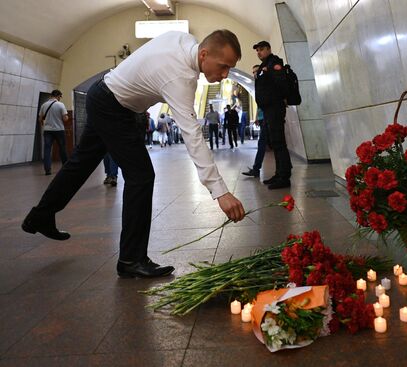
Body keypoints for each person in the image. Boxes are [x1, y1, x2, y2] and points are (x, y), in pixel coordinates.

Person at [21, 30, 246, 278]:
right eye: (223, 66)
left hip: (105, 95)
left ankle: (40, 216)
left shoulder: (184, 40)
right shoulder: (180, 77)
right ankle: (131, 259)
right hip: (113, 106)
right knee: (141, 176)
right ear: (204, 54)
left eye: (230, 68)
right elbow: (192, 135)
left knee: (80, 163)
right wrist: (220, 191)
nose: (225, 75)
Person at [253, 40, 292, 189]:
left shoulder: (274, 63)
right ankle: (279, 173)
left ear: (269, 49)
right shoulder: (265, 65)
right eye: (257, 50)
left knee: (279, 142)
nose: (259, 52)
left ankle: (284, 176)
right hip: (269, 109)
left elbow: (281, 85)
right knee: (275, 142)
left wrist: (278, 100)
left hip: (275, 108)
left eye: (261, 49)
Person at [242, 65, 267, 178]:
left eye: (257, 71)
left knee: (264, 144)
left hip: (268, 118)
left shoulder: (266, 84)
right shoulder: (259, 85)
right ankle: (256, 169)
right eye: (253, 72)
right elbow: (259, 104)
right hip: (262, 119)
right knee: (263, 144)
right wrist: (257, 117)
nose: (255, 74)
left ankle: (256, 169)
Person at [39, 89, 69, 175]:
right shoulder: (60, 105)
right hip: (59, 130)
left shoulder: (44, 105)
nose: (60, 98)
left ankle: (47, 170)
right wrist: (65, 118)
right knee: (62, 148)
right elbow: (65, 118)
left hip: (47, 131)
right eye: (60, 97)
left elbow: (40, 119)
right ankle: (65, 167)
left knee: (47, 150)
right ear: (58, 96)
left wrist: (44, 125)